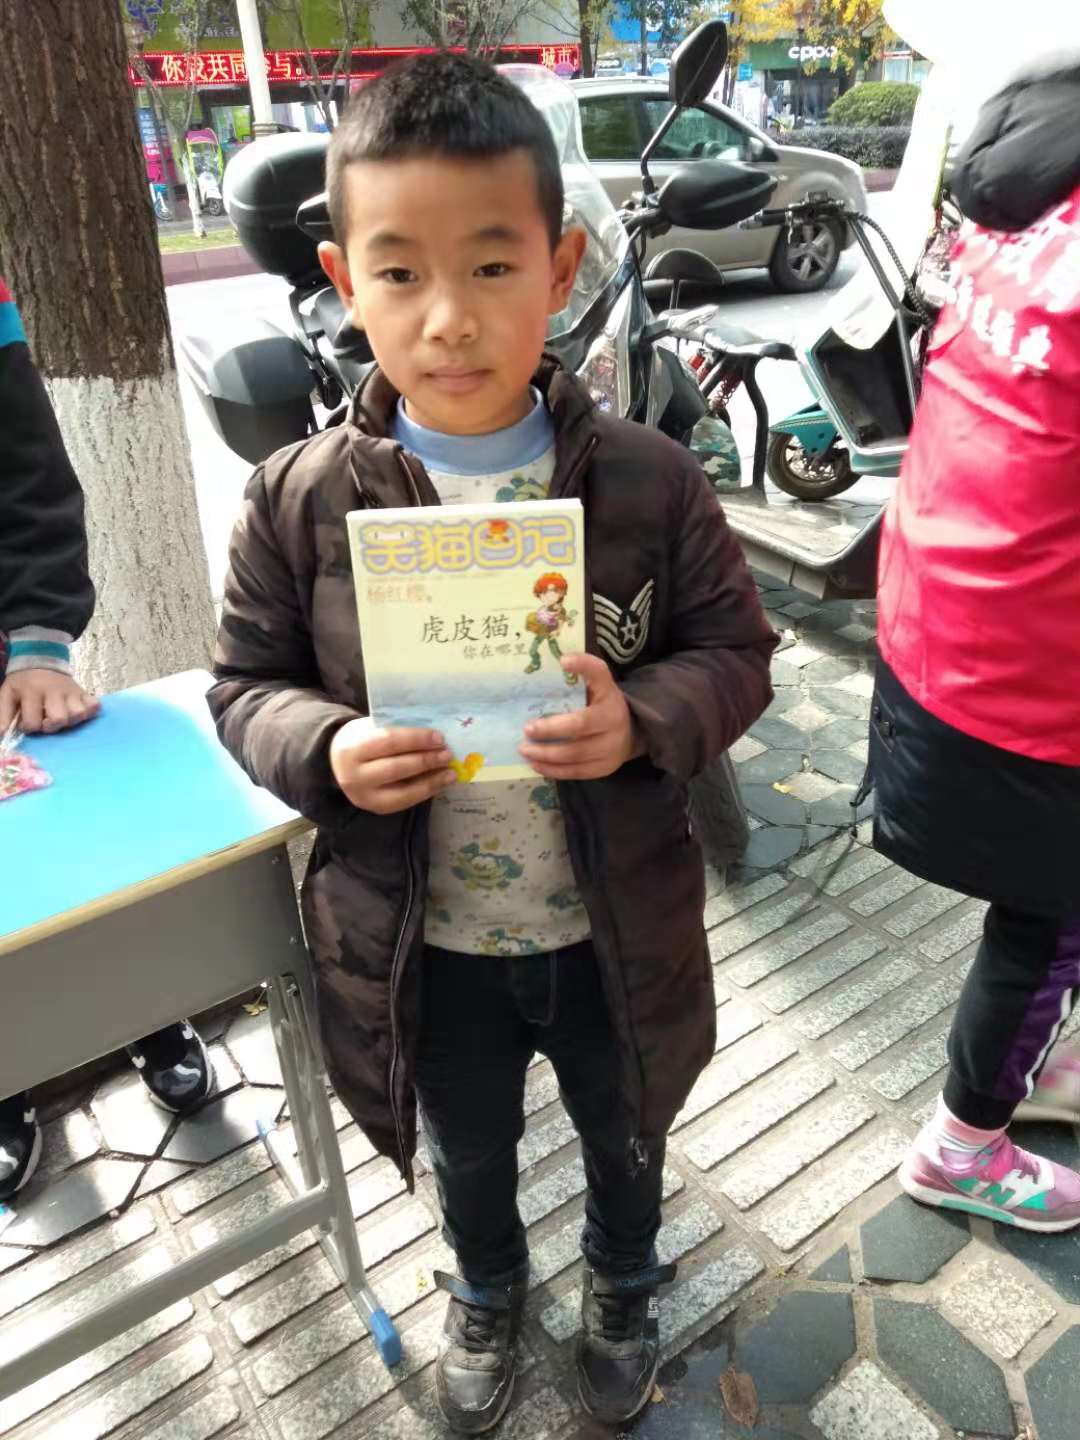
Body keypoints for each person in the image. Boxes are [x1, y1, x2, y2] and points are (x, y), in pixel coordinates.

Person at [207, 53, 775, 1433]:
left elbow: (737, 653)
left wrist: (641, 719)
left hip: (612, 922)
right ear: (344, 280)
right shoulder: (297, 499)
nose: (450, 317)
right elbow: (244, 687)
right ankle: (487, 1284)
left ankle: (624, 1277)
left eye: (494, 266)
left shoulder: (648, 478)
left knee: (625, 1127)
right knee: (467, 1145)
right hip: (420, 940)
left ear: (562, 265)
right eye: (400, 273)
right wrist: (326, 748)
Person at [868, 56, 1080, 1230]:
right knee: (1051, 920)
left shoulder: (1035, 168)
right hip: (1036, 672)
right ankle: (963, 1144)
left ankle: (1035, 1061)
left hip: (946, 609)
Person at [0, 278, 214, 1204]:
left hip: (11, 681)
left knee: (75, 854)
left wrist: (38, 644)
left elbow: (30, 477)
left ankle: (151, 1015)